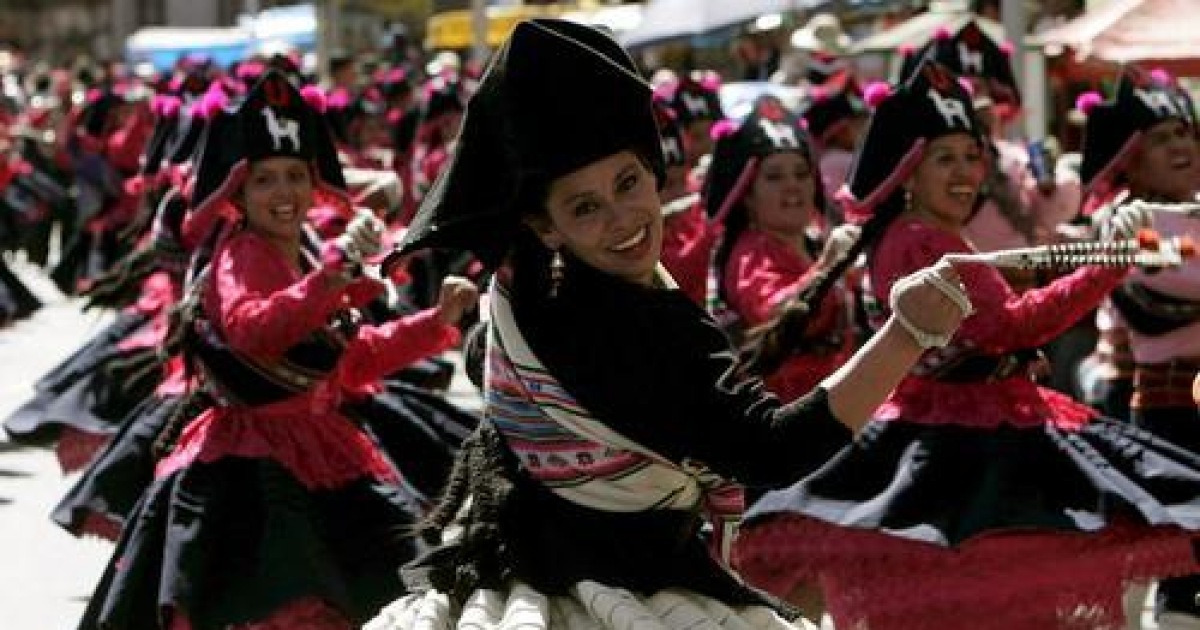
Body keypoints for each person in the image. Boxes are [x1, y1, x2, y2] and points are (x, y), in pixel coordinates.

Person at [366, 19, 972, 630]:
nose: (622, 219)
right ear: (545, 225)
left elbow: (479, 355)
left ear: (653, 169)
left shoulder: (523, 296)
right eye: (585, 206)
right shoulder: (641, 327)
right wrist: (906, 335)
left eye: (627, 183)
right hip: (626, 594)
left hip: (510, 577)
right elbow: (771, 449)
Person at [732, 60, 1200, 630]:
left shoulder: (921, 235)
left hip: (966, 438)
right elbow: (1011, 327)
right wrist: (1107, 264)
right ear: (907, 171)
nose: (965, 172)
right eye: (945, 158)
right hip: (958, 449)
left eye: (971, 156)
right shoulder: (920, 240)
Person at [77, 70, 478, 630]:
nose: (283, 193)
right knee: (289, 600)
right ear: (237, 193)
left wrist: (438, 321)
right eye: (264, 180)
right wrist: (332, 276)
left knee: (398, 574)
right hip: (251, 465)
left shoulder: (308, 254)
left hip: (323, 443)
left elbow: (354, 357)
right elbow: (252, 329)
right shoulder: (240, 256)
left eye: (295, 176)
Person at [1079, 65, 1200, 627]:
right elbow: (1153, 295)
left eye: (1184, 133)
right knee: (1179, 562)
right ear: (1128, 155)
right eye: (1160, 138)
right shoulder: (1125, 219)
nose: (1179, 146)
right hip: (1168, 414)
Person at [707, 95, 853, 402]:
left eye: (802, 174)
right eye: (774, 177)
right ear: (747, 195)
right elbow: (770, 312)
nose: (793, 186)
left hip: (836, 401)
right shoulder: (751, 252)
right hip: (786, 413)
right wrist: (828, 267)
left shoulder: (815, 242)